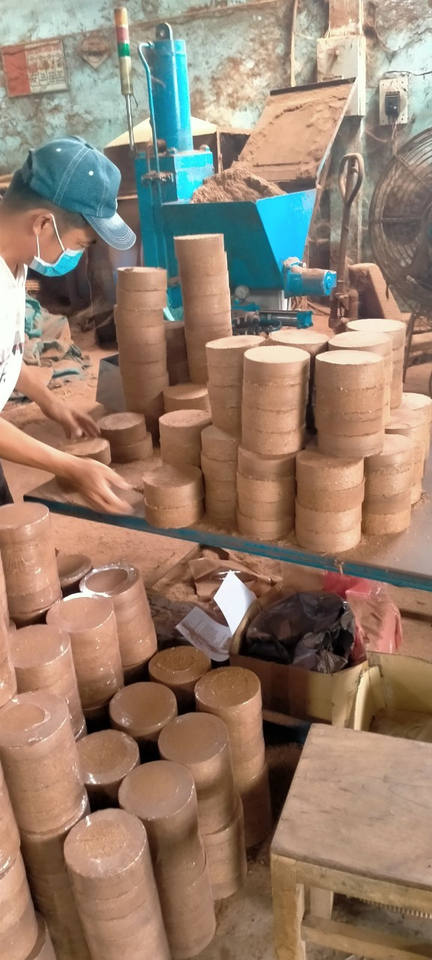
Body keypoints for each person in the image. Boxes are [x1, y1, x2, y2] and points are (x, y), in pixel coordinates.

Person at [0, 136, 136, 513]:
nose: (76, 255)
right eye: (80, 244)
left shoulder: (14, 259)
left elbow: (5, 354)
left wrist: (49, 402)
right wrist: (71, 466)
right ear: (43, 224)